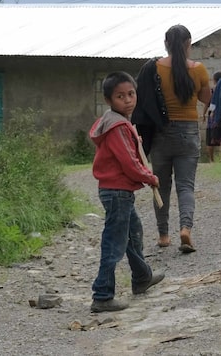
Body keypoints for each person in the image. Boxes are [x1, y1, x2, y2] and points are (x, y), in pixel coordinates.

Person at [88, 72, 165, 313]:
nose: (128, 100)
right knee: (114, 242)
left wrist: (134, 141)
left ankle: (142, 277)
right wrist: (149, 176)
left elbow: (128, 153)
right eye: (120, 96)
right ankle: (102, 295)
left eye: (131, 94)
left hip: (118, 192)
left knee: (133, 234)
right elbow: (129, 163)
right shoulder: (118, 126)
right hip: (117, 192)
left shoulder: (117, 122)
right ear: (109, 99)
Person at [142, 25, 211, 253]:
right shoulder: (198, 69)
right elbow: (205, 98)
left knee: (160, 186)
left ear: (166, 43)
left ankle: (163, 235)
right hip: (188, 132)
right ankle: (185, 229)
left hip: (161, 133)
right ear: (189, 44)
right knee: (186, 186)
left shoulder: (155, 68)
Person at [204, 71, 221, 162]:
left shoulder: (212, 90)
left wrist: (203, 114)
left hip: (212, 116)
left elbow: (207, 103)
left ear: (214, 80)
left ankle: (212, 160)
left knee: (210, 138)